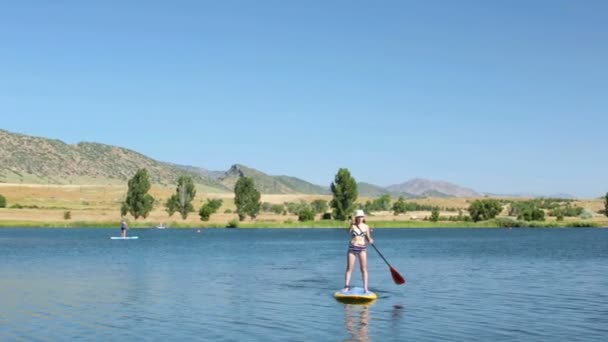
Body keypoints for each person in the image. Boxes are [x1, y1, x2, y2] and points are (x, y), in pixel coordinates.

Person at [343, 209, 374, 293]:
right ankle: (346, 286)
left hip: (362, 248)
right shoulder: (353, 226)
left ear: (363, 217)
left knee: (364, 269)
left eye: (361, 217)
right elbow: (347, 232)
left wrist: (370, 240)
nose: (360, 218)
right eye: (358, 217)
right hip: (352, 247)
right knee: (350, 268)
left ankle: (365, 288)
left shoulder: (366, 227)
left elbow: (368, 238)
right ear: (356, 217)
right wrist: (351, 224)